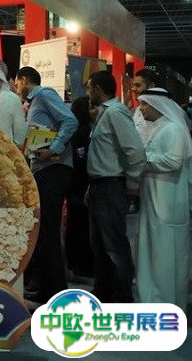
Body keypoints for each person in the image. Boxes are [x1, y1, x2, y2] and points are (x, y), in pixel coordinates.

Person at [15, 66, 77, 303]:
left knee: (48, 231)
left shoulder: (44, 94)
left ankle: (57, 292)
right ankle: (47, 288)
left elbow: (70, 121)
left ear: (24, 80)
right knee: (43, 231)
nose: (16, 89)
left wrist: (54, 149)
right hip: (43, 170)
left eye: (17, 84)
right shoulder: (33, 103)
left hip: (53, 170)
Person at [86, 70, 146, 302]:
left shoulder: (115, 113)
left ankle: (122, 297)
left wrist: (132, 184)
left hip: (111, 187)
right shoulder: (105, 113)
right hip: (100, 186)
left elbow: (135, 151)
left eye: (89, 88)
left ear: (98, 89)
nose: (88, 93)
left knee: (114, 247)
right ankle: (103, 292)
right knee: (99, 245)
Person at [135, 88, 190, 311]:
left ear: (158, 105)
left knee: (167, 254)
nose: (141, 109)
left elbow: (173, 161)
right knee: (151, 252)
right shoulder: (157, 128)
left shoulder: (174, 129)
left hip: (169, 200)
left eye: (145, 104)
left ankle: (167, 304)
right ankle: (151, 302)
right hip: (153, 198)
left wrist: (143, 160)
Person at [64, 96, 96, 279]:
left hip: (79, 185)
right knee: (80, 227)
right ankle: (81, 264)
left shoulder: (86, 131)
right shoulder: (80, 133)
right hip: (79, 186)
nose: (95, 111)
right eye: (91, 108)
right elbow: (80, 159)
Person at [131, 68, 161, 143]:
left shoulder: (165, 113)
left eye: (138, 85)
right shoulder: (134, 112)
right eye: (133, 85)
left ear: (151, 86)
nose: (133, 89)